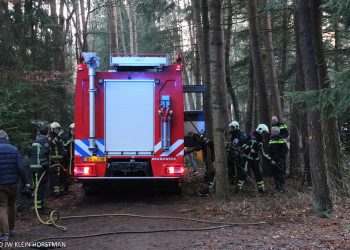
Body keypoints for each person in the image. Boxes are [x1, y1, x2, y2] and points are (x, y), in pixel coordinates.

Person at [0, 130, 30, 242]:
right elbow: (21, 167)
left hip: (0, 184)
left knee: (2, 206)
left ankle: (5, 233)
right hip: (13, 183)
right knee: (12, 205)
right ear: (6, 138)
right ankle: (11, 228)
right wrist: (26, 181)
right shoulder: (14, 149)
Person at [236, 124, 276, 194]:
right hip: (247, 159)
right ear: (260, 130)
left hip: (255, 160)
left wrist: (270, 160)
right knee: (243, 173)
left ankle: (262, 190)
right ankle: (238, 190)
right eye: (264, 132)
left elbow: (264, 152)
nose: (264, 134)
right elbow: (241, 143)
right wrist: (249, 149)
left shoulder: (261, 140)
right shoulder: (250, 135)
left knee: (258, 174)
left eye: (265, 133)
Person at [30, 125, 51, 213]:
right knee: (40, 188)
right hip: (40, 168)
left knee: (38, 187)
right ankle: (39, 208)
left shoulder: (37, 140)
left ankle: (40, 206)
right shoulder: (44, 141)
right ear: (47, 132)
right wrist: (47, 167)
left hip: (34, 168)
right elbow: (43, 156)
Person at [268, 126, 289, 192]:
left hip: (280, 160)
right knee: (274, 174)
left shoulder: (281, 139)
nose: (271, 132)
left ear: (276, 132)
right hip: (272, 160)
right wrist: (271, 159)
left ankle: (281, 188)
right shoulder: (271, 139)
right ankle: (277, 186)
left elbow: (285, 150)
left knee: (280, 174)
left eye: (272, 131)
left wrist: (279, 159)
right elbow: (269, 150)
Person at [49, 122, 66, 197]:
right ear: (52, 130)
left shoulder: (59, 137)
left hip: (61, 159)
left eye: (58, 129)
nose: (57, 130)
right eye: (55, 129)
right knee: (56, 176)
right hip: (55, 160)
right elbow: (52, 143)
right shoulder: (51, 137)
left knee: (62, 175)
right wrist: (58, 136)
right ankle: (56, 192)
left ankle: (62, 190)